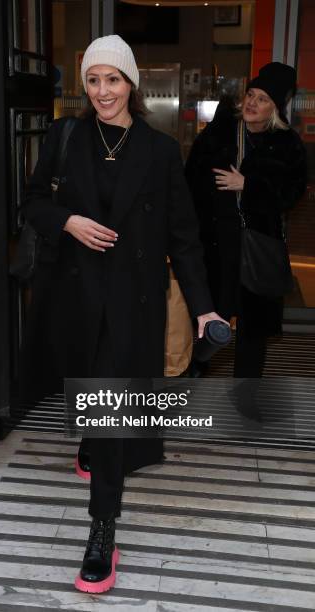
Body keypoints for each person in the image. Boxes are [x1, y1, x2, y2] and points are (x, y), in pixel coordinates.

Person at [21, 34, 222, 593]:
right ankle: (91, 441)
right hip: (75, 295)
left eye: (113, 79)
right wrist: (68, 221)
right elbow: (32, 202)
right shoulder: (66, 137)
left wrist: (204, 310)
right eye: (93, 79)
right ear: (84, 85)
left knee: (112, 409)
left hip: (133, 300)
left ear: (131, 84)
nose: (103, 90)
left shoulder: (159, 151)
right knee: (92, 396)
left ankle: (102, 527)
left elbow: (184, 238)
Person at [185, 62, 307, 380]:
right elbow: (190, 183)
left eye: (262, 99)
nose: (252, 103)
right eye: (250, 95)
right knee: (209, 320)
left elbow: (292, 194)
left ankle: (246, 395)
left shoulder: (288, 144)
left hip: (256, 246)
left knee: (252, 329)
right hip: (216, 245)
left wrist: (248, 186)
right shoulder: (220, 132)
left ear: (276, 108)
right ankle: (193, 376)